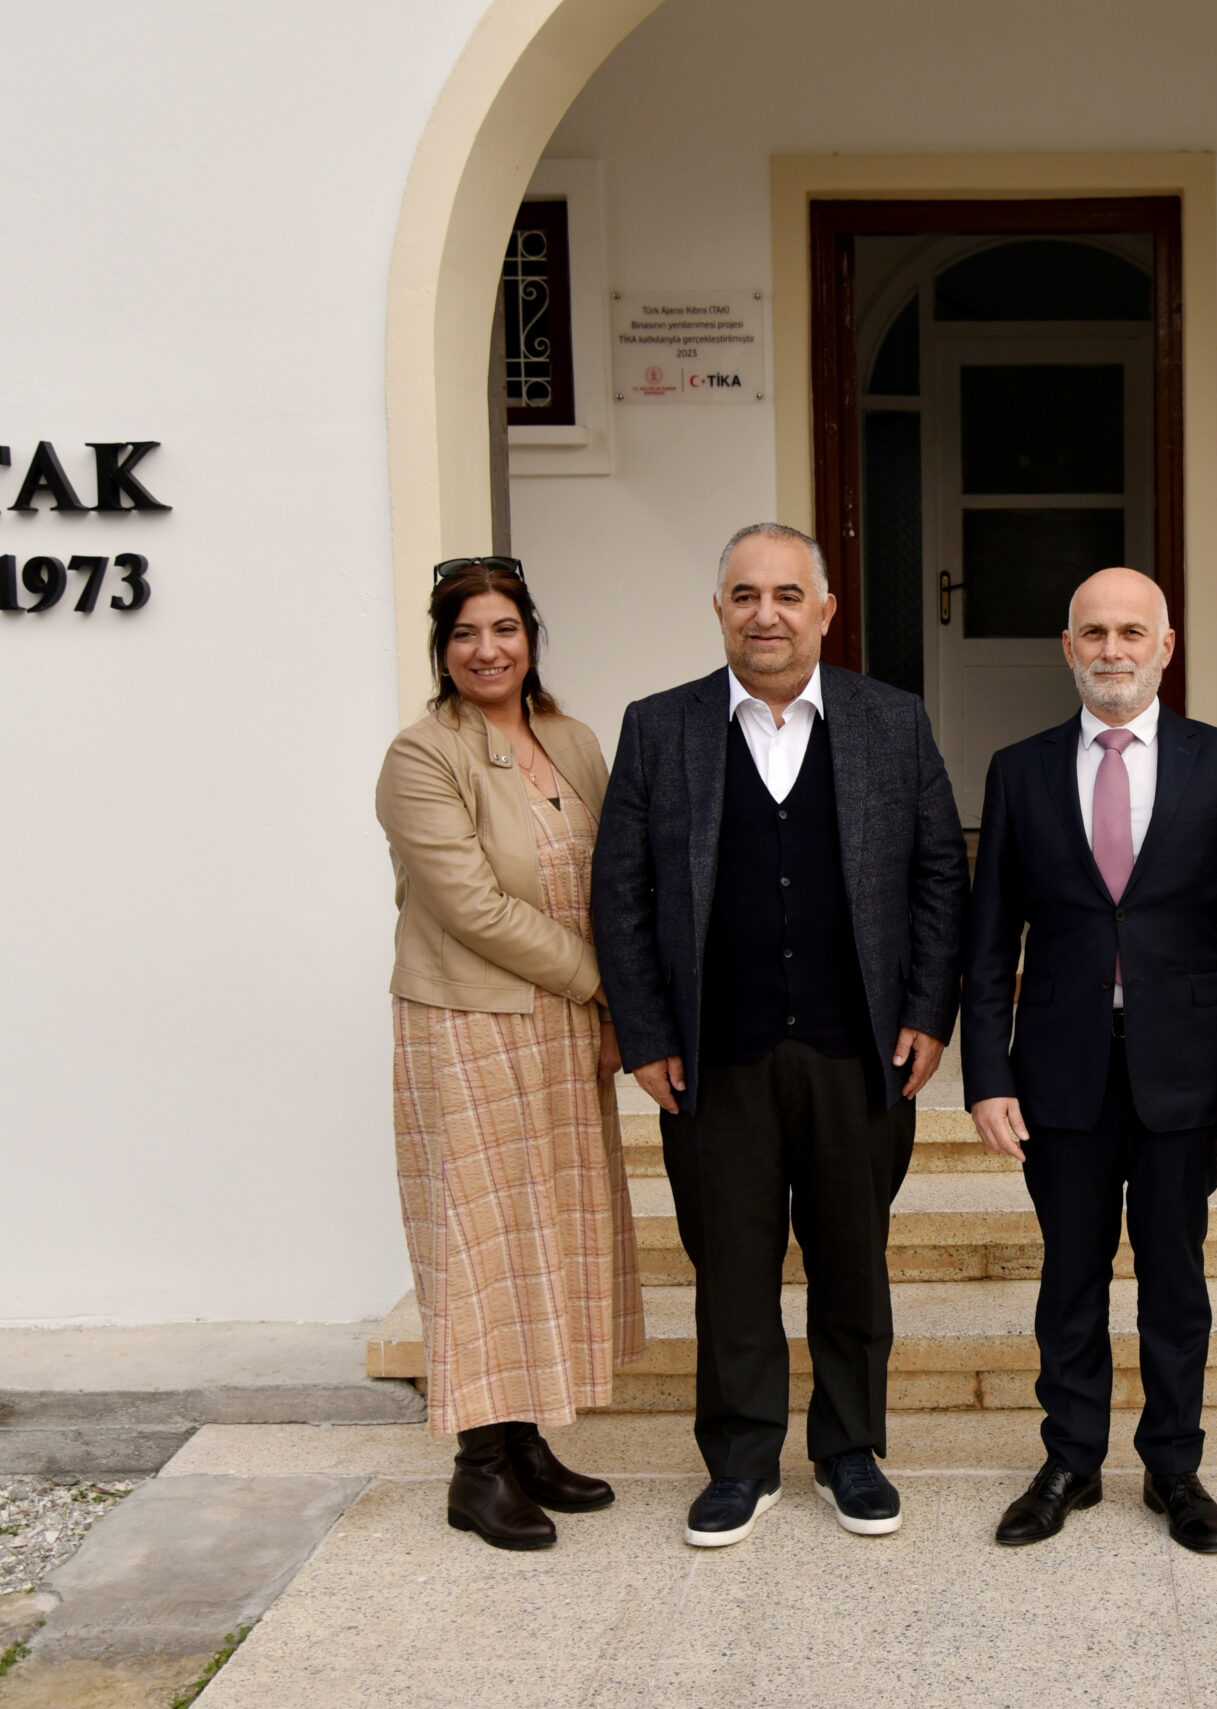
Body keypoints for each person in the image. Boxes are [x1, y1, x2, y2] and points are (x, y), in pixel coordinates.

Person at [591, 523, 966, 1549]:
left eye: (788, 595)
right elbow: (620, 891)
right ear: (719, 609)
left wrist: (928, 1011)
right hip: (713, 1056)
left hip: (859, 1050)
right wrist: (645, 1032)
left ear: (826, 611)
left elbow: (941, 872)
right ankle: (741, 1460)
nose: (767, 614)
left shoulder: (891, 720)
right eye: (746, 595)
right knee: (731, 1266)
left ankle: (851, 1449)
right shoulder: (658, 726)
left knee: (853, 1260)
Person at [964, 567, 1217, 1556]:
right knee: (1069, 1275)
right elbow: (989, 942)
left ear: (1166, 646)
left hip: (1184, 1069)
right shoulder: (1018, 770)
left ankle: (1173, 1466)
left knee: (1173, 1277)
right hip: (1057, 1069)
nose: (1113, 649)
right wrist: (987, 1074)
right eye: (1095, 632)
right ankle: (1070, 1460)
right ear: (1068, 647)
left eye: (1132, 632)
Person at [374, 557, 645, 1552]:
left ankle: (527, 1440)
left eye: (504, 628)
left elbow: (617, 878)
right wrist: (600, 982)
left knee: (550, 1231)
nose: (487, 650)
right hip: (470, 1024)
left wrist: (615, 1012)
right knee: (481, 1240)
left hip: (566, 1023)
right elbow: (472, 907)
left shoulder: (571, 739)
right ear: (441, 651)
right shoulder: (420, 756)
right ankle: (477, 1467)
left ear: (531, 637)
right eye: (465, 634)